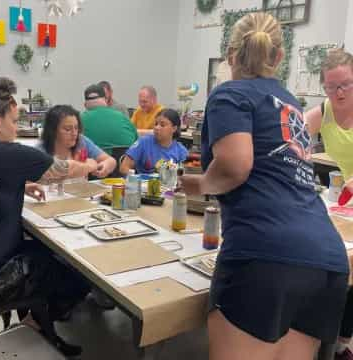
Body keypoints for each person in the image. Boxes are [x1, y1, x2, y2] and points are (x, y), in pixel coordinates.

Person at [178, 13, 348, 360]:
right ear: (280, 58)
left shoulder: (231, 94)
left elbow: (236, 165)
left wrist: (198, 184)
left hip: (265, 254)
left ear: (230, 54)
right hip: (325, 259)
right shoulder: (291, 104)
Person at [0, 77, 95, 357]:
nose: (17, 129)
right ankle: (39, 324)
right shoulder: (11, 155)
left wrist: (21, 185)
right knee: (78, 271)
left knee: (44, 250)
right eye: (14, 122)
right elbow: (63, 169)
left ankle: (36, 320)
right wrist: (90, 164)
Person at [305, 48, 353, 360]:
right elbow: (290, 135)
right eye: (330, 87)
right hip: (349, 201)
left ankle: (343, 342)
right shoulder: (324, 111)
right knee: (342, 261)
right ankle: (339, 341)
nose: (337, 93)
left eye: (345, 85)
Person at [39, 104, 117, 179]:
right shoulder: (40, 151)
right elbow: (67, 169)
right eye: (67, 129)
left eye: (76, 128)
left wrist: (106, 166)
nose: (74, 133)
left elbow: (111, 160)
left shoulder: (82, 141)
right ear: (52, 131)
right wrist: (89, 166)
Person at [120, 108, 187, 175]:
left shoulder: (181, 151)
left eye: (162, 125)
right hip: (142, 183)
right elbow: (124, 168)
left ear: (174, 128)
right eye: (156, 124)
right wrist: (137, 178)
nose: (157, 128)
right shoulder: (143, 142)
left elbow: (182, 176)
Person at [81, 83, 138, 154]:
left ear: (85, 105)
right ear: (105, 100)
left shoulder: (79, 121)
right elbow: (136, 142)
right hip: (124, 162)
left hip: (96, 163)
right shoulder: (122, 116)